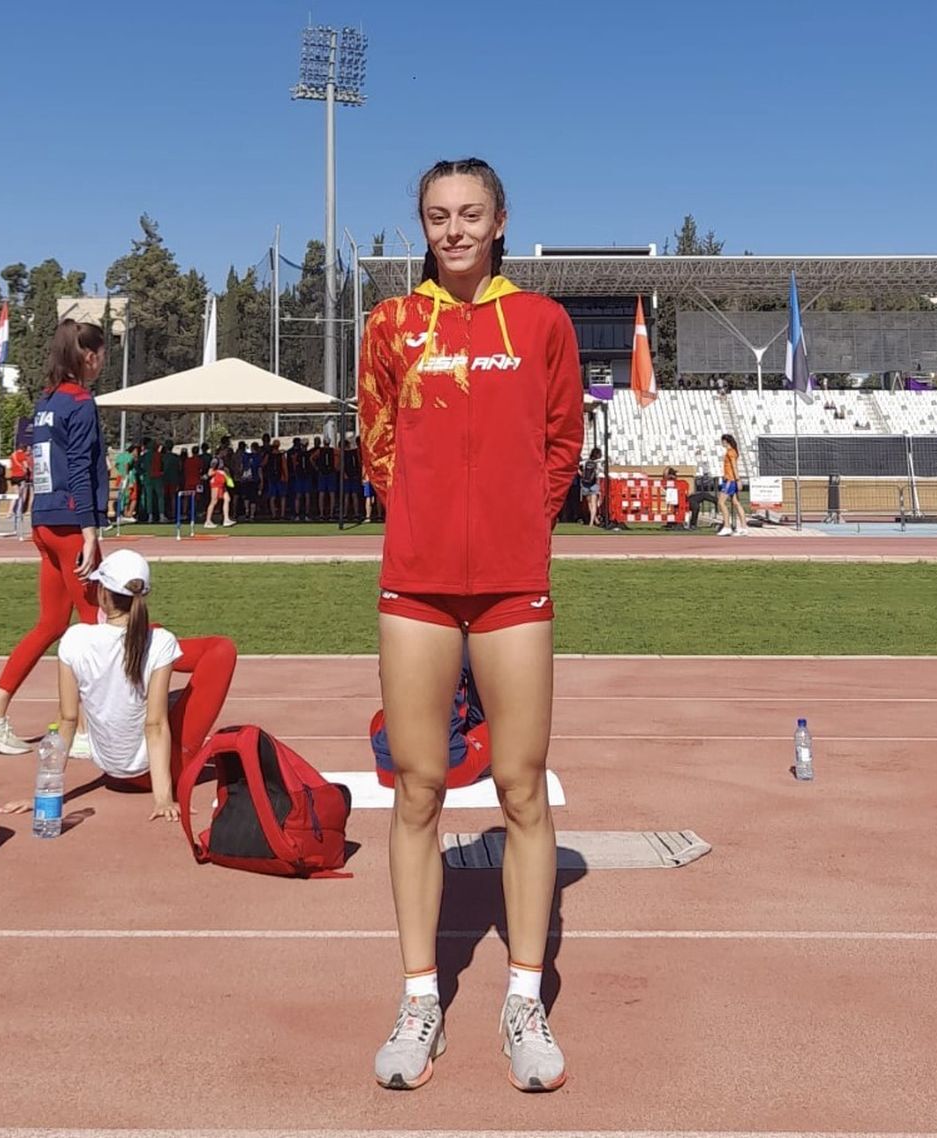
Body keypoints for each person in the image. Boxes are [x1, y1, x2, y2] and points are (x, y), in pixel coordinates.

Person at [358, 156, 583, 1093]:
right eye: (438, 215)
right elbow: (376, 442)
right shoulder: (392, 325)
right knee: (417, 790)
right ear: (424, 225)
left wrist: (512, 525)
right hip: (415, 585)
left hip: (510, 587)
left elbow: (562, 442)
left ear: (500, 222)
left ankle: (524, 997)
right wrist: (421, 519)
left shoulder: (540, 323)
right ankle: (420, 1000)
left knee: (522, 788)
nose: (453, 229)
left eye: (471, 214)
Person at [0, 549, 239, 820]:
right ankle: (147, 656)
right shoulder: (160, 641)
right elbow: (155, 725)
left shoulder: (74, 639)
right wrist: (163, 799)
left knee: (159, 659)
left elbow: (66, 720)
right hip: (157, 771)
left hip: (112, 769)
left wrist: (42, 795)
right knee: (222, 650)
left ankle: (143, 657)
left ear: (102, 593)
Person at [0, 320, 108, 756]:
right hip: (68, 523)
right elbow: (81, 467)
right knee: (96, 628)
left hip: (44, 520)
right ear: (87, 356)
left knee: (50, 625)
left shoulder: (46, 401)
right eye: (100, 355)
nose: (102, 363)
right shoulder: (80, 403)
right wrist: (89, 530)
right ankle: (82, 731)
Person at [715, 433, 749, 537]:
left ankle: (727, 526)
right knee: (736, 503)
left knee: (721, 502)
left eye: (723, 441)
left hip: (730, 480)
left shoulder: (731, 452)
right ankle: (743, 527)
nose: (722, 443)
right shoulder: (731, 452)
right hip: (729, 479)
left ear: (726, 441)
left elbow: (734, 467)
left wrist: (738, 480)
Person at [579, 447, 601, 526]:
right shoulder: (598, 463)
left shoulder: (585, 462)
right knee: (594, 503)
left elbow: (577, 467)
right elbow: (598, 474)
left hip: (585, 483)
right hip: (594, 483)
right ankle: (592, 521)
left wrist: (582, 476)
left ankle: (594, 520)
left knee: (589, 503)